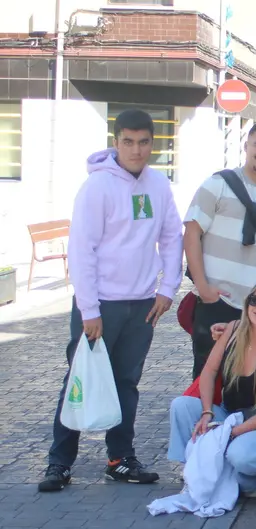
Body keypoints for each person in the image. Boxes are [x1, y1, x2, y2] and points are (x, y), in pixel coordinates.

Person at [39, 110, 184, 492]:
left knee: (126, 383)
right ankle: (59, 462)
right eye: (128, 141)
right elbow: (81, 249)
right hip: (101, 305)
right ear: (116, 141)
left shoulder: (159, 185)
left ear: (155, 143)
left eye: (144, 142)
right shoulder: (97, 187)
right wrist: (89, 309)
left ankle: (120, 459)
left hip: (142, 306)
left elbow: (172, 237)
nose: (136, 150)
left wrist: (167, 289)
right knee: (79, 380)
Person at [183, 122, 256, 378]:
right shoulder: (218, 184)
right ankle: (206, 418)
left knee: (250, 379)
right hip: (217, 299)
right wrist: (204, 289)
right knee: (206, 375)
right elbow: (192, 233)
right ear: (246, 145)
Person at [168, 279, 256, 496]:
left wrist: (231, 433)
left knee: (240, 457)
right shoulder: (234, 329)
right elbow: (208, 372)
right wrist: (207, 412)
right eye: (255, 300)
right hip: (229, 414)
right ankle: (192, 466)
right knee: (182, 405)